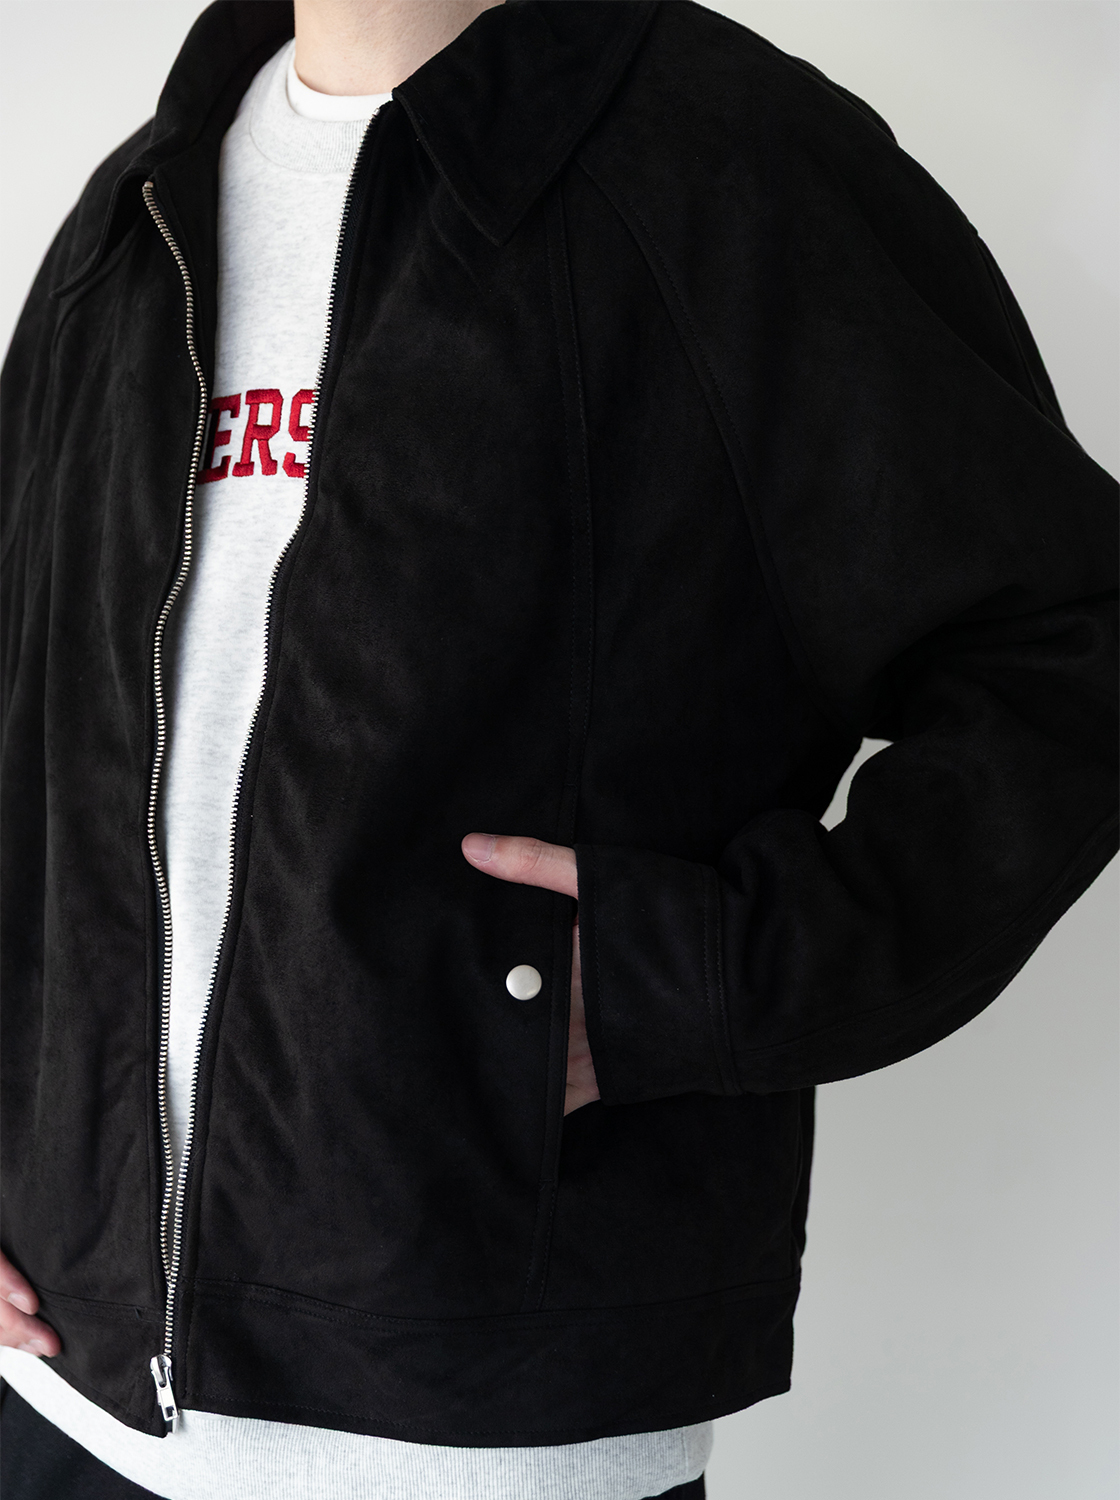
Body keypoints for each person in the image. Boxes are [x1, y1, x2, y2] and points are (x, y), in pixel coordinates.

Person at [1, 0, 1116, 1496]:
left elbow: (1071, 649)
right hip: (62, 1395)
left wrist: (699, 978)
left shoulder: (727, 163)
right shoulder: (140, 205)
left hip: (490, 1430)